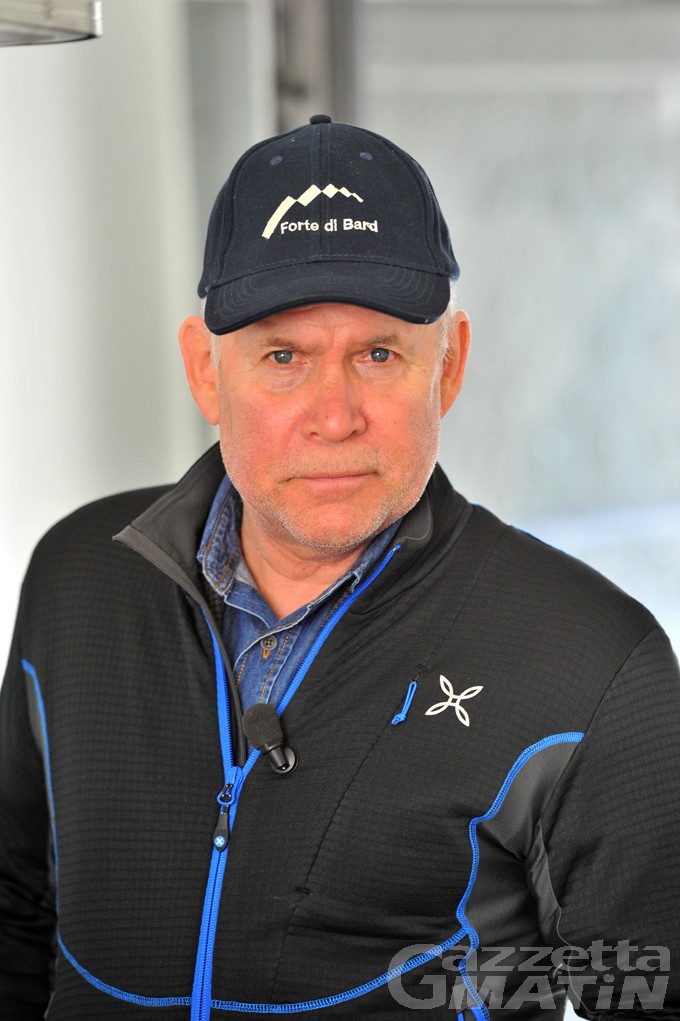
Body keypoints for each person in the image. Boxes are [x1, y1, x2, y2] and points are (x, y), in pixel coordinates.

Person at [0, 114, 678, 1021]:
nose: (334, 415)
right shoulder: (77, 579)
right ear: (205, 371)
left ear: (449, 366)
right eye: (283, 357)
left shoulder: (593, 660)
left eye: (379, 354)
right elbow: (15, 915)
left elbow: (654, 991)